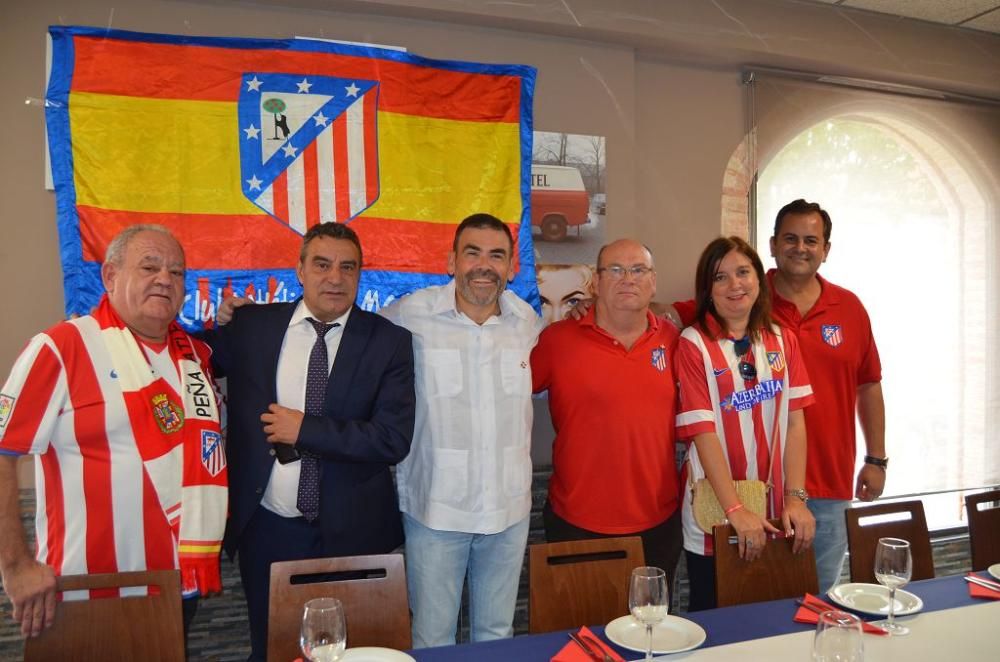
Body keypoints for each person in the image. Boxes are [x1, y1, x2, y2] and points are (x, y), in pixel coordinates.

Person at [0, 225, 227, 640]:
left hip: (177, 587)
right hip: (83, 592)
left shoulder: (197, 357)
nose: (165, 279)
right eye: (149, 266)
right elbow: (3, 453)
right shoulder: (61, 347)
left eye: (177, 273)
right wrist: (14, 566)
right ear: (110, 276)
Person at [208, 222, 415, 661]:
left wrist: (305, 430)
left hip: (356, 534)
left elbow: (392, 440)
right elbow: (193, 357)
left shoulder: (389, 341)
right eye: (321, 265)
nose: (335, 278)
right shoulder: (252, 327)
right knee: (272, 649)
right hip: (269, 529)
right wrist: (219, 320)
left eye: (347, 267)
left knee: (357, 650)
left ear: (360, 274)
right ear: (299, 270)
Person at [379, 213, 542, 648]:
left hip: (508, 510)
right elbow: (348, 335)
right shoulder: (410, 315)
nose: (483, 265)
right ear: (451, 261)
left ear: (511, 267)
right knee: (433, 638)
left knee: (498, 636)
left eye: (497, 255)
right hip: (436, 510)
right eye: (472, 253)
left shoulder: (526, 322)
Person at [531, 239, 684, 590]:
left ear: (653, 281)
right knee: (582, 636)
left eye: (638, 270)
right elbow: (505, 396)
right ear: (596, 283)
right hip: (577, 521)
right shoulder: (557, 340)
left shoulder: (674, 340)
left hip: (657, 523)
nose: (627, 278)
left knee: (651, 634)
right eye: (615, 269)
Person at [675, 236, 815, 611]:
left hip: (776, 511)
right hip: (716, 513)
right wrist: (736, 510)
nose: (735, 285)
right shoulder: (693, 344)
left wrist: (796, 499)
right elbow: (702, 432)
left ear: (758, 278)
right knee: (714, 619)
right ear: (708, 289)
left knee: (775, 618)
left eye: (743, 272)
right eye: (721, 277)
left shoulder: (783, 339)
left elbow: (795, 423)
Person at [765, 200, 885, 592]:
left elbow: (868, 385)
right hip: (759, 487)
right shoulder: (744, 297)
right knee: (752, 610)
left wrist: (876, 459)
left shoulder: (849, 308)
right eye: (790, 238)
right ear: (772, 244)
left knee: (818, 605)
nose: (800, 247)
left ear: (826, 249)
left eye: (811, 240)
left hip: (830, 489)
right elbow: (670, 316)